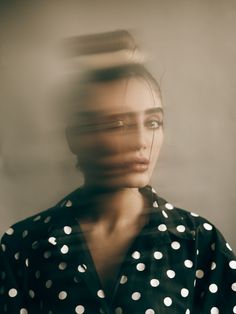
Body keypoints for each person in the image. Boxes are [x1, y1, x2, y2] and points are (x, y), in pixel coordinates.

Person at [0, 30, 235, 314]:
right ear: (75, 137)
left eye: (153, 122)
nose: (140, 142)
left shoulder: (200, 243)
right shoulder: (23, 247)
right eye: (118, 124)